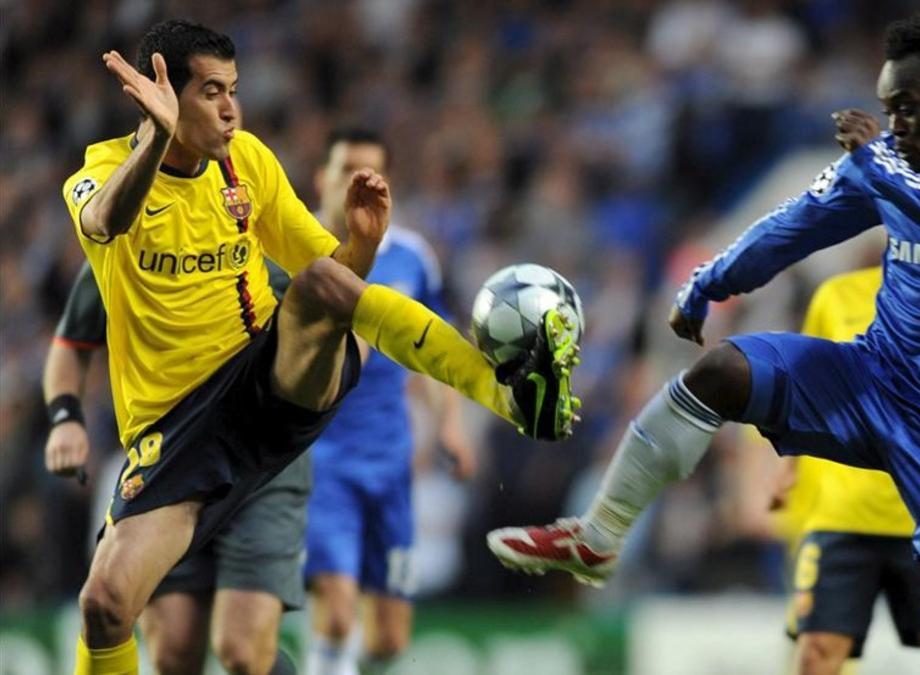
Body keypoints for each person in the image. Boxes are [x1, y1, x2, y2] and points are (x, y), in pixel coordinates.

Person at [488, 13, 920, 675]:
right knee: (722, 372)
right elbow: (799, 223)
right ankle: (598, 535)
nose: (895, 125)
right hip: (873, 380)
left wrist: (888, 175)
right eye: (888, 110)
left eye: (908, 108)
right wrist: (711, 281)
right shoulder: (894, 163)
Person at [64, 19, 577, 675]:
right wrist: (156, 141)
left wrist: (360, 245)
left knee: (315, 287)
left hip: (265, 380)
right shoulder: (100, 171)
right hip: (173, 432)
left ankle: (505, 392)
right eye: (212, 92)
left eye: (234, 90)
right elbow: (105, 220)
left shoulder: (245, 162)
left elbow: (332, 275)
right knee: (105, 604)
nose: (230, 109)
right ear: (157, 96)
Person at [45, 260, 305, 675]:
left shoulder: (257, 236)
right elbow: (71, 344)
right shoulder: (119, 241)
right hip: (167, 464)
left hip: (259, 468)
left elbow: (321, 330)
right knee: (172, 651)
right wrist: (65, 417)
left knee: (243, 652)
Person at [302, 128, 475, 675]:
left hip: (391, 463)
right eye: (346, 167)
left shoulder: (412, 258)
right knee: (336, 616)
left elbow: (434, 352)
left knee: (390, 640)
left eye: (370, 171)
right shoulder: (295, 252)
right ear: (321, 179)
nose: (357, 181)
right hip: (320, 461)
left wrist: (450, 425)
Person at [762, 266, 920, 675]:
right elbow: (809, 389)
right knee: (818, 649)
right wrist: (790, 468)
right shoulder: (835, 294)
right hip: (843, 514)